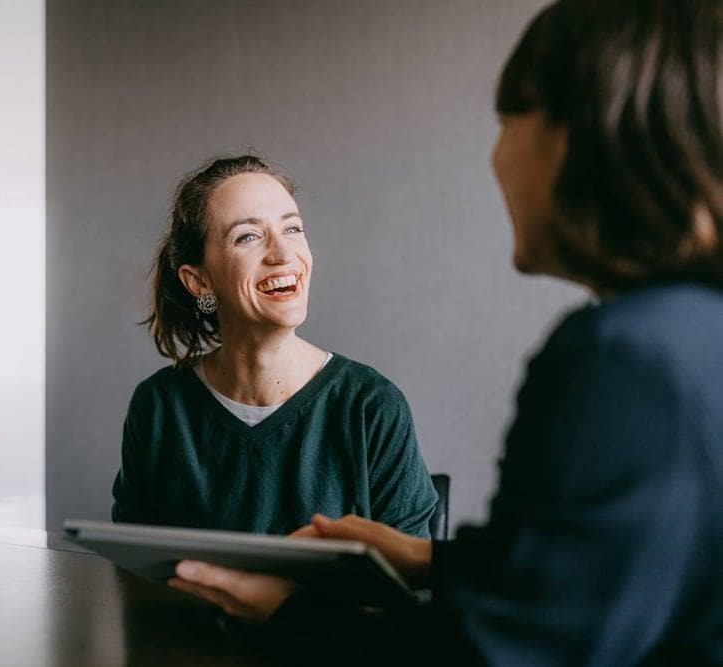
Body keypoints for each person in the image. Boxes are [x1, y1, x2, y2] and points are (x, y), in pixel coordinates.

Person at [169, 1, 723, 663]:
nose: (495, 156)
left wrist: (285, 614)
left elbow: (490, 652)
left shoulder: (624, 360)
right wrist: (428, 558)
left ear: (575, 134)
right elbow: (595, 572)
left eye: (508, 121)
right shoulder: (692, 335)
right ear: (194, 278)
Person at [112, 155, 440, 537]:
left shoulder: (372, 406)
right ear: (199, 281)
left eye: (293, 229)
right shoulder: (158, 407)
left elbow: (410, 585)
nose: (284, 255)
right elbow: (133, 571)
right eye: (248, 236)